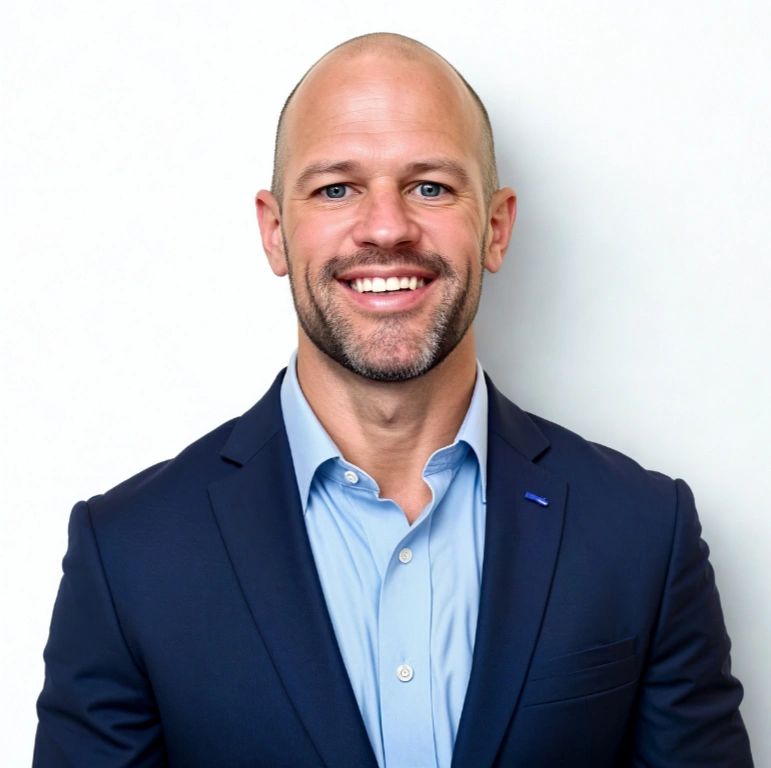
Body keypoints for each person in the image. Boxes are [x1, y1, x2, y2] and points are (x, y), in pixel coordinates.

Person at [34, 32, 753, 768]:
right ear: (275, 233)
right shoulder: (129, 556)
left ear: (495, 228)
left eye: (430, 186)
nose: (385, 227)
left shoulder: (641, 533)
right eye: (336, 188)